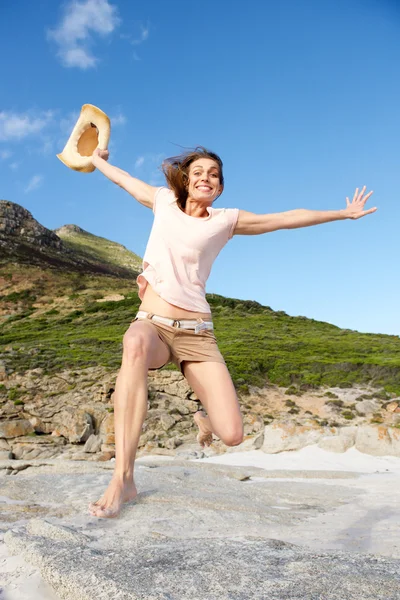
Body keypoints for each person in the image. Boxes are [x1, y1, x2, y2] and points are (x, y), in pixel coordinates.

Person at [88, 146, 376, 518]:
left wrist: (342, 213)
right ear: (186, 179)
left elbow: (286, 218)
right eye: (199, 172)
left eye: (214, 174)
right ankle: (123, 478)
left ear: (219, 188)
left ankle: (203, 418)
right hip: (154, 327)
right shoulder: (162, 202)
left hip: (198, 336)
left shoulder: (225, 220)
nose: (206, 177)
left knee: (232, 434)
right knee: (134, 342)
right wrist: (95, 160)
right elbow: (124, 180)